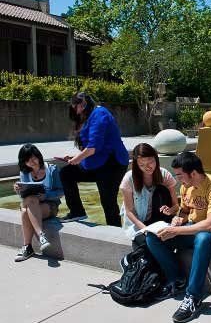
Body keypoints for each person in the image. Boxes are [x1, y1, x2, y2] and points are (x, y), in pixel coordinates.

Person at [145, 151, 211, 323]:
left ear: (194, 173)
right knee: (153, 237)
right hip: (190, 230)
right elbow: (186, 210)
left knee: (203, 238)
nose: (177, 178)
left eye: (180, 174)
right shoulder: (185, 186)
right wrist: (179, 218)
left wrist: (177, 231)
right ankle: (176, 279)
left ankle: (193, 297)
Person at [59, 92, 129, 226]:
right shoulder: (90, 117)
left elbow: (93, 147)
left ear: (83, 105)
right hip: (96, 163)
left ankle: (115, 232)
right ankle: (77, 211)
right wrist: (75, 157)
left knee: (108, 201)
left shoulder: (99, 113)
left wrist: (78, 158)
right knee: (66, 173)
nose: (77, 111)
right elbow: (91, 148)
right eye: (75, 108)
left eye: (77, 107)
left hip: (112, 164)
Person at [120, 143, 179, 248]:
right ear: (136, 165)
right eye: (141, 165)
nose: (147, 167)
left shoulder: (164, 175)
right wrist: (145, 229)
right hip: (138, 223)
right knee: (147, 243)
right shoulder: (129, 179)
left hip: (159, 220)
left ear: (155, 158)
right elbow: (129, 211)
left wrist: (169, 210)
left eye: (150, 162)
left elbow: (176, 206)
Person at [13, 144, 64, 262]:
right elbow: (24, 197)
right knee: (29, 203)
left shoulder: (52, 169)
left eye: (33, 158)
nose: (31, 162)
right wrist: (19, 190)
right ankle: (41, 236)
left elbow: (61, 192)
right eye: (27, 160)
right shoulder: (24, 173)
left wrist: (46, 196)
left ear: (38, 156)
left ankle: (27, 247)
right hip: (31, 205)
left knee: (26, 210)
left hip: (50, 206)